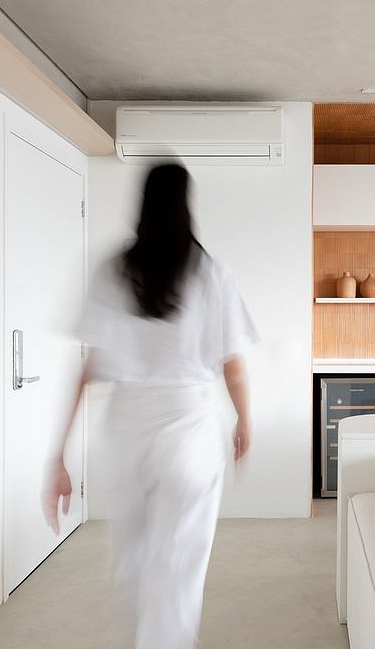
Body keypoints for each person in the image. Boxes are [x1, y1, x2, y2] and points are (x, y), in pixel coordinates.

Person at [44, 163, 258, 648]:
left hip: (124, 432)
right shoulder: (211, 272)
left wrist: (57, 455)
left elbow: (88, 368)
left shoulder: (112, 269)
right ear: (187, 206)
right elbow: (234, 366)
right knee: (176, 573)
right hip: (190, 431)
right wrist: (244, 419)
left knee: (130, 564)